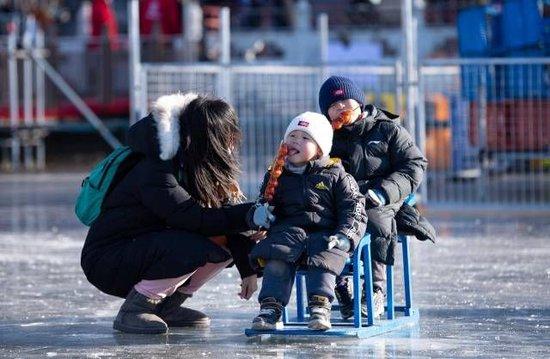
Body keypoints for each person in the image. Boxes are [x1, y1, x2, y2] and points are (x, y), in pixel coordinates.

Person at [81, 93, 274, 334]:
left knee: (224, 247)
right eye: (224, 137)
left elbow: (222, 221)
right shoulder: (156, 169)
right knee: (194, 248)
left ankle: (166, 307)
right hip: (110, 259)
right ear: (202, 137)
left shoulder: (197, 163)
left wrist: (248, 267)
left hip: (149, 246)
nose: (231, 144)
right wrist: (249, 214)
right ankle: (135, 309)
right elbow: (193, 218)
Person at [318, 76, 428, 320]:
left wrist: (384, 191)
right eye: (334, 106)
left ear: (358, 102)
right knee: (318, 221)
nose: (341, 109)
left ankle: (375, 289)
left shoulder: (387, 129)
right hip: (343, 196)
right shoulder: (327, 136)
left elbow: (414, 164)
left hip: (383, 195)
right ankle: (339, 285)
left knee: (375, 220)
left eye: (346, 102)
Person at [249, 112, 367, 331]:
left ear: (320, 148)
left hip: (326, 234)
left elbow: (354, 208)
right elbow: (261, 203)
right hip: (288, 234)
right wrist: (258, 215)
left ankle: (320, 307)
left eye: (305, 138)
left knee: (323, 257)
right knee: (276, 257)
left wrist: (345, 236)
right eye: (292, 136)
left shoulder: (337, 175)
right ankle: (270, 308)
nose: (295, 141)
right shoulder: (277, 174)